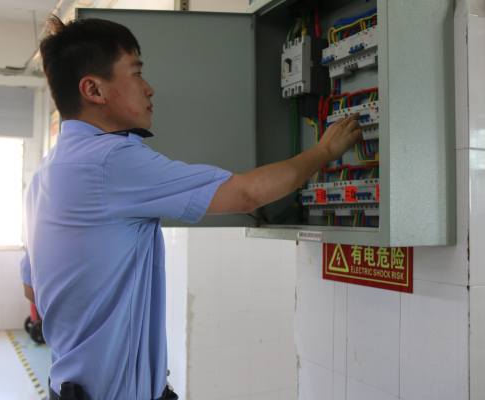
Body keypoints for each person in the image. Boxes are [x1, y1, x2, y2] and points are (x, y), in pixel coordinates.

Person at [20, 15, 361, 400]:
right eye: (136, 73)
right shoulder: (109, 161)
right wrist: (325, 150)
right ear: (94, 90)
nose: (149, 88)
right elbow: (247, 194)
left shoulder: (45, 174)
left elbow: (32, 289)